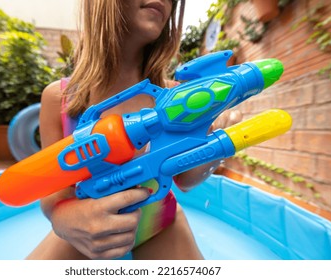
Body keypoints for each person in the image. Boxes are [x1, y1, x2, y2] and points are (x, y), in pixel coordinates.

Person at [26, 0, 239, 260]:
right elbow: (51, 191)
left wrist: (218, 145)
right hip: (85, 232)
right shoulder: (60, 98)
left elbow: (186, 180)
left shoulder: (176, 98)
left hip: (159, 226)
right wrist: (62, 217)